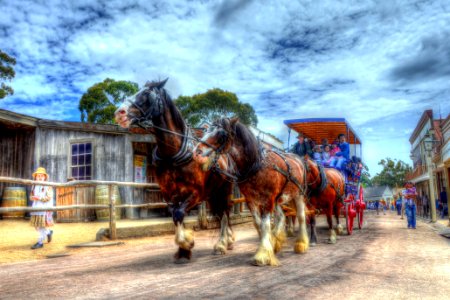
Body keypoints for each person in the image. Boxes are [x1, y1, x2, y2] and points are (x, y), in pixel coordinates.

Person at [30, 167, 54, 249]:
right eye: (38, 176)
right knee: (37, 226)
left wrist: (39, 198)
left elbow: (48, 197)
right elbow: (31, 195)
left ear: (45, 177)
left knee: (41, 226)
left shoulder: (47, 186)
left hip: (44, 208)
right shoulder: (34, 186)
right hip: (36, 207)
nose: (39, 177)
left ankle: (40, 242)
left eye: (41, 176)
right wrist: (32, 198)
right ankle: (48, 232)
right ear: (35, 177)